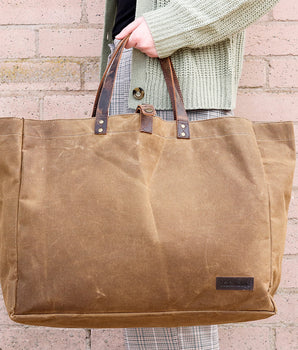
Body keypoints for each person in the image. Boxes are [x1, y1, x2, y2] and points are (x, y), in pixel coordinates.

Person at [99, 0, 280, 349]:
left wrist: (170, 25)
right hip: (130, 63)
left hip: (175, 73)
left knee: (175, 293)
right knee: (139, 288)